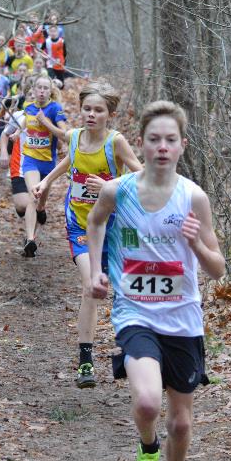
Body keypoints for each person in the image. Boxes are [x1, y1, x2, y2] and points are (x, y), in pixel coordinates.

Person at [86, 101, 225, 461]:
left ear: (182, 146)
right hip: (135, 313)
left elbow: (218, 267)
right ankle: (148, 450)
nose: (162, 147)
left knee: (181, 423)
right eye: (154, 139)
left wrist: (197, 247)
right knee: (147, 401)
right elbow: (94, 223)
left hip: (183, 319)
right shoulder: (119, 191)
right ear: (141, 144)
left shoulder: (192, 197)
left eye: (170, 140)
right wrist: (96, 271)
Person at [32, 82, 143, 388]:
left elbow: (140, 173)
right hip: (80, 224)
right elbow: (71, 160)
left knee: (123, 290)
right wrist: (47, 181)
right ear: (80, 110)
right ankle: (85, 362)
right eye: (87, 109)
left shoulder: (116, 142)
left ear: (111, 114)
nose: (91, 115)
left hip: (117, 226)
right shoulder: (75, 136)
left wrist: (111, 185)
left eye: (98, 110)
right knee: (89, 285)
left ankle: (133, 353)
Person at [19, 75, 68, 257]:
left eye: (45, 88)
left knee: (40, 202)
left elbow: (65, 135)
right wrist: (17, 132)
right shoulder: (28, 107)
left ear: (50, 91)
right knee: (33, 195)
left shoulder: (55, 109)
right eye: (38, 87)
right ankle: (30, 240)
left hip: (48, 163)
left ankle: (41, 209)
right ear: (33, 89)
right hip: (30, 160)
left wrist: (46, 122)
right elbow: (25, 120)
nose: (41, 91)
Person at [0, 87, 32, 224]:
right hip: (20, 165)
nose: (34, 98)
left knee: (33, 203)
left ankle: (31, 239)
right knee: (22, 205)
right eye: (30, 95)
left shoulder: (49, 117)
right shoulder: (19, 116)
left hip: (41, 165)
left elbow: (58, 144)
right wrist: (4, 152)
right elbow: (5, 134)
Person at [42, 24, 67, 89]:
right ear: (49, 32)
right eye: (51, 31)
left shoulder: (62, 41)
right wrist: (45, 56)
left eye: (54, 31)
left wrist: (63, 63)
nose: (53, 33)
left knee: (61, 82)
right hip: (50, 63)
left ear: (58, 32)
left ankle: (60, 94)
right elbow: (40, 50)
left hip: (59, 64)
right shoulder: (47, 41)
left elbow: (65, 53)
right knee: (50, 80)